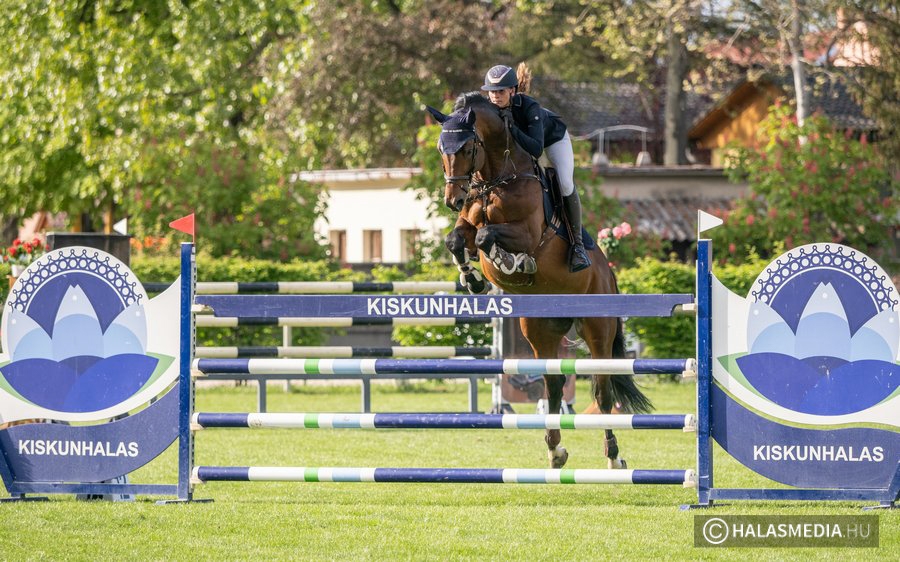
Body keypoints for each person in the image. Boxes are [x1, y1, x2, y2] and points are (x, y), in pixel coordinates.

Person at [480, 64, 591, 273]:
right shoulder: (490, 110)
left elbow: (536, 149)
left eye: (500, 91)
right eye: (492, 92)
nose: (495, 96)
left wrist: (512, 126)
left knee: (565, 183)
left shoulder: (530, 107)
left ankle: (578, 245)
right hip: (524, 148)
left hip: (552, 141)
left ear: (512, 90)